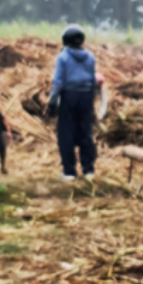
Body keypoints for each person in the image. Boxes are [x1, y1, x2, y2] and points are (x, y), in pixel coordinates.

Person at [48, 25, 97, 182]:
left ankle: (69, 172)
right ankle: (88, 170)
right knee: (85, 132)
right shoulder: (90, 56)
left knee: (66, 133)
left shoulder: (63, 57)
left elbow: (58, 82)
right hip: (86, 96)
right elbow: (93, 80)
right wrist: (92, 100)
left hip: (69, 96)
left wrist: (52, 102)